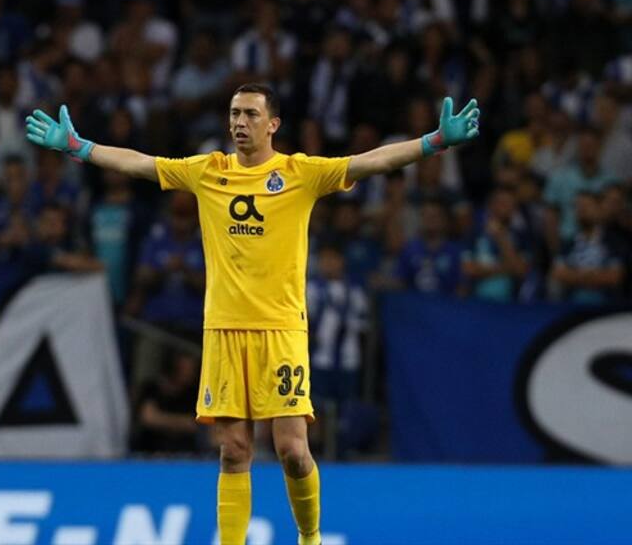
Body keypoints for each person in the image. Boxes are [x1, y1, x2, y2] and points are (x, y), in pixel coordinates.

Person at [25, 83, 480, 545]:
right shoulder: (207, 172)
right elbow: (140, 163)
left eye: (249, 115)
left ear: (273, 124)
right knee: (234, 450)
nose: (239, 123)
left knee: (292, 451)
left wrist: (434, 142)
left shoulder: (300, 173)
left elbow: (371, 161)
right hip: (223, 329)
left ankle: (310, 537)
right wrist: (77, 147)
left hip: (281, 330)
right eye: (234, 114)